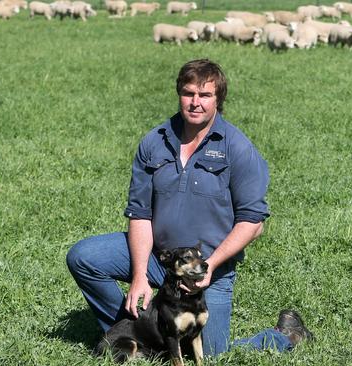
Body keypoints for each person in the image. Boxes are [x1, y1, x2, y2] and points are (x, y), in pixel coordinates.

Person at [66, 59, 311, 357]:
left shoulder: (237, 147)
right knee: (85, 257)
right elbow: (140, 213)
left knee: (212, 355)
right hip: (159, 257)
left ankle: (286, 335)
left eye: (205, 95)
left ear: (218, 100)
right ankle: (136, 336)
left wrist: (210, 268)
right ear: (179, 94)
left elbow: (253, 222)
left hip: (208, 270)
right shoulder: (154, 142)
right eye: (188, 93)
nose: (195, 103)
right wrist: (140, 275)